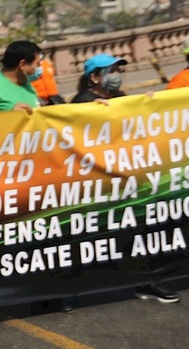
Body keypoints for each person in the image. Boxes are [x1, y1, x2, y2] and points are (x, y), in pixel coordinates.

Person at [70, 53, 181, 304]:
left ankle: (146, 282)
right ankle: (57, 293)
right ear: (94, 77)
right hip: (98, 186)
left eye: (119, 71)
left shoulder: (121, 99)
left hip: (128, 183)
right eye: (112, 71)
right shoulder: (81, 102)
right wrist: (87, 114)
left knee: (143, 231)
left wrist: (149, 105)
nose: (117, 77)